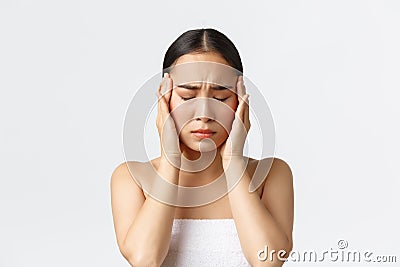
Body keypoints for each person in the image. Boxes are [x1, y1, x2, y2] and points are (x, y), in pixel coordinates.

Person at [110, 28, 294, 266]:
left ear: (240, 100)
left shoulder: (272, 174)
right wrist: (171, 160)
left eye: (220, 98)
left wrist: (234, 163)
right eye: (187, 97)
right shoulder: (131, 178)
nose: (204, 114)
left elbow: (268, 261)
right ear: (165, 99)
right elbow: (146, 260)